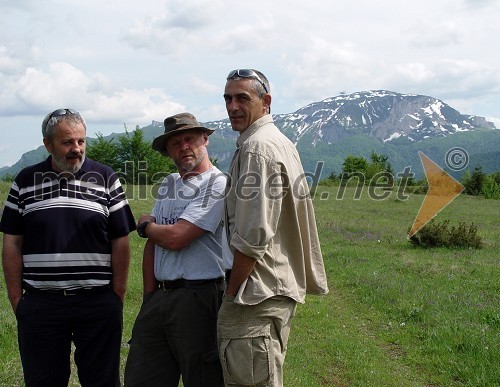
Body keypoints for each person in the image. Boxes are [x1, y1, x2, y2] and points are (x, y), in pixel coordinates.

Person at [0, 108, 136, 386]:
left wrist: (117, 295)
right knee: (43, 381)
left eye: (81, 141)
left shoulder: (106, 177)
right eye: (67, 142)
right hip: (41, 304)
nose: (77, 149)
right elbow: (12, 241)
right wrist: (17, 298)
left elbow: (120, 239)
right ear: (48, 144)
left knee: (102, 381)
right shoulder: (26, 180)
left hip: (97, 302)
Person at [218, 69, 329, 387]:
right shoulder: (278, 142)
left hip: (255, 294)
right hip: (271, 289)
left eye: (242, 98)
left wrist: (231, 293)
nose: (233, 107)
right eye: (228, 98)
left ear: (265, 101)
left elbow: (252, 236)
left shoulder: (257, 148)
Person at [124, 112, 226, 387]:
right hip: (161, 295)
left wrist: (146, 226)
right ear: (167, 151)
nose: (183, 147)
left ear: (205, 140)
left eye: (189, 139)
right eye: (175, 143)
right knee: (142, 376)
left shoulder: (217, 184)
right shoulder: (169, 183)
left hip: (199, 297)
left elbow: (176, 237)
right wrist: (150, 297)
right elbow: (154, 246)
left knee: (203, 377)